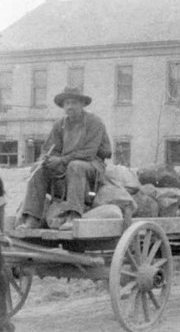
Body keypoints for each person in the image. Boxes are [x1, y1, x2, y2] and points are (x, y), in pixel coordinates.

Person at [17, 86, 112, 230]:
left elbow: (89, 152)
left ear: (82, 104)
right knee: (38, 168)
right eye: (67, 103)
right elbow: (51, 149)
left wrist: (60, 160)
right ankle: (32, 218)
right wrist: (46, 160)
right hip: (68, 163)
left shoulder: (94, 122)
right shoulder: (59, 125)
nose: (70, 106)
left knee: (76, 166)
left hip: (92, 164)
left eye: (74, 103)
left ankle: (73, 215)